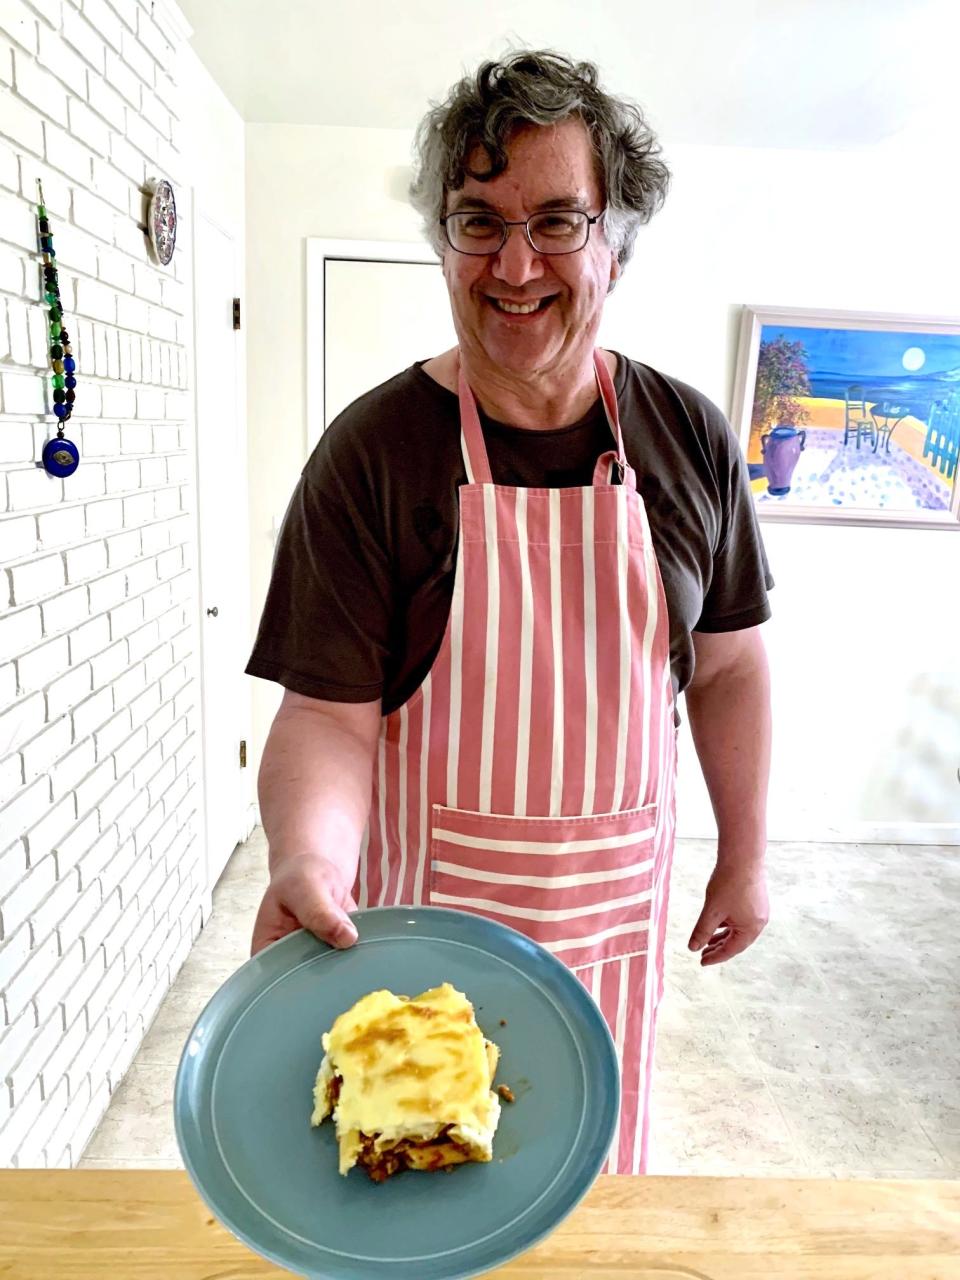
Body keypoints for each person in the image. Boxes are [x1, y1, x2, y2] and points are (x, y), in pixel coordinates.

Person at [245, 49, 772, 1175]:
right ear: (443, 240)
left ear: (616, 244)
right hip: (427, 930)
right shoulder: (374, 453)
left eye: (558, 221)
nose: (515, 262)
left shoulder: (689, 439)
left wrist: (748, 848)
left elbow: (729, 668)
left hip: (613, 927)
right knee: (420, 1177)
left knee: (584, 1185)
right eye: (478, 221)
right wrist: (308, 853)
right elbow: (328, 717)